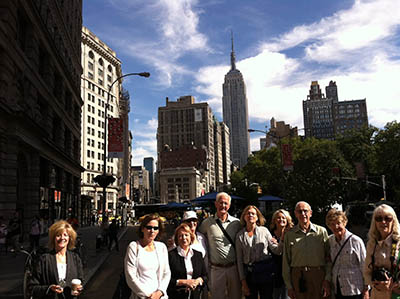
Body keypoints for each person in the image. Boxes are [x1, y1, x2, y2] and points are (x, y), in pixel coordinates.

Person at [282, 201, 331, 299]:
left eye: (305, 211)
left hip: (318, 276)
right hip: (298, 277)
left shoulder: (321, 232)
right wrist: (289, 286)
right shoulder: (290, 235)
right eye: (300, 211)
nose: (303, 214)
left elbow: (328, 258)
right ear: (295, 214)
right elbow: (286, 262)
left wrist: (327, 279)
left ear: (311, 213)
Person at [199, 192, 242, 299]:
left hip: (234, 268)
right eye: (221, 203)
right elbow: (197, 237)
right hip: (216, 269)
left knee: (235, 296)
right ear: (216, 204)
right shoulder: (207, 223)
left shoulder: (236, 223)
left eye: (226, 203)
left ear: (229, 205)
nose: (223, 206)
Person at [236, 205, 283, 299]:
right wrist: (243, 282)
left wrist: (281, 240)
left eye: (253, 213)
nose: (250, 215)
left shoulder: (264, 231)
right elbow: (239, 260)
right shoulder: (240, 235)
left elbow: (277, 251)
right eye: (248, 213)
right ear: (244, 217)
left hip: (265, 272)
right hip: (249, 274)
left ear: (257, 217)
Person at [28, 220, 84, 299]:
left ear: (69, 238)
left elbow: (80, 281)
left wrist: (79, 289)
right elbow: (32, 287)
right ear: (53, 238)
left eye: (65, 235)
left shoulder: (75, 258)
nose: (62, 238)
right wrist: (49, 288)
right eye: (58, 235)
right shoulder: (44, 259)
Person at [125, 214, 171, 299]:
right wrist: (148, 296)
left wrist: (160, 292)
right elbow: (130, 277)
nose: (152, 231)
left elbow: (166, 273)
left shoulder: (162, 247)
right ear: (142, 229)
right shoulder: (134, 247)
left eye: (155, 228)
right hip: (141, 297)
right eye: (149, 227)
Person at [326, 208, 369, 299]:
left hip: (354, 289)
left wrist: (366, 289)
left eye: (338, 223)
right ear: (329, 226)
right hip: (338, 289)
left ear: (344, 223)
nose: (336, 227)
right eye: (332, 224)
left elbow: (364, 265)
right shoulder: (330, 241)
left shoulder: (356, 241)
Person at [363, 204, 400, 299]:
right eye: (378, 219)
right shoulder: (372, 244)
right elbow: (367, 272)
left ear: (394, 221)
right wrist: (376, 283)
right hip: (377, 294)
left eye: (387, 218)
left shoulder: (398, 243)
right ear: (374, 222)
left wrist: (393, 285)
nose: (383, 222)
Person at [167, 223, 208, 299]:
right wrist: (184, 282)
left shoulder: (198, 255)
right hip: (177, 296)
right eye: (180, 236)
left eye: (186, 235)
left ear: (191, 237)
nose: (184, 238)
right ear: (176, 238)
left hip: (195, 295)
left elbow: (205, 276)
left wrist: (198, 281)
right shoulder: (170, 256)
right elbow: (167, 279)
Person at [270, 209, 294, 299]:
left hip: (289, 270)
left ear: (287, 219)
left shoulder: (292, 234)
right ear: (274, 220)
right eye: (278, 218)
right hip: (275, 272)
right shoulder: (270, 235)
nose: (281, 220)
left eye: (283, 218)